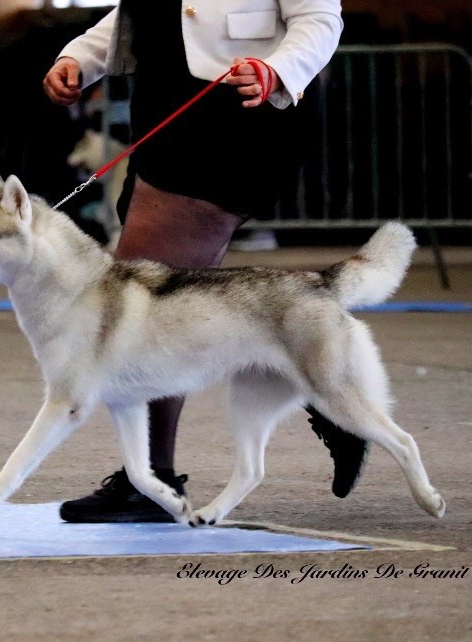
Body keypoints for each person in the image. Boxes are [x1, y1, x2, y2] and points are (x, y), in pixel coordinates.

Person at [43, 1, 371, 523]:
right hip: (163, 115)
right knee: (162, 305)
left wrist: (277, 70)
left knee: (141, 309)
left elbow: (320, 18)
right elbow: (145, 12)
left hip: (237, 117)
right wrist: (80, 59)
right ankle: (327, 394)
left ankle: (151, 480)